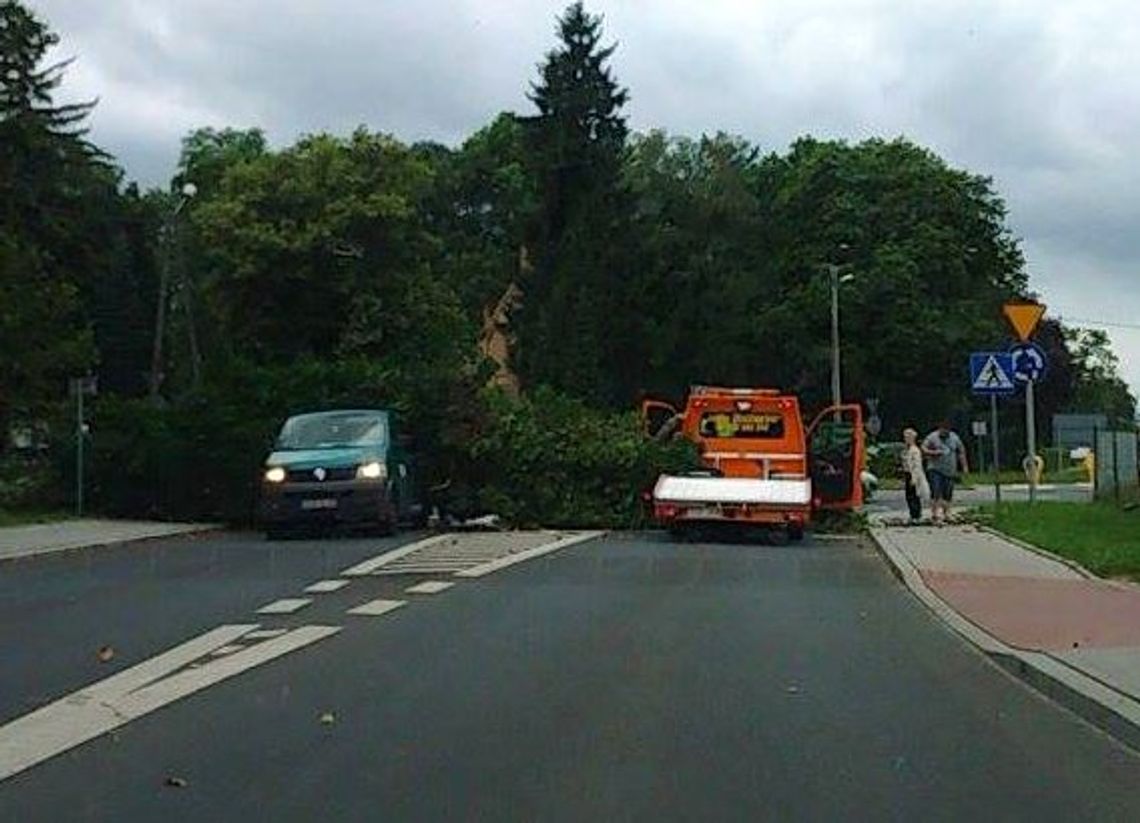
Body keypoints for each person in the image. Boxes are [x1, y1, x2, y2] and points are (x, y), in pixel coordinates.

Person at [922, 420, 969, 523]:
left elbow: (961, 451)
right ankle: (935, 514)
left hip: (950, 470)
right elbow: (924, 448)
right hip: (935, 469)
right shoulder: (932, 437)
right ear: (939, 429)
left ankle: (947, 513)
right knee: (936, 490)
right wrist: (934, 452)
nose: (944, 434)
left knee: (948, 492)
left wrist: (964, 466)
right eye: (943, 431)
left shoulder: (954, 437)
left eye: (946, 431)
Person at [901, 428, 930, 524]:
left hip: (913, 474)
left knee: (914, 495)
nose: (906, 439)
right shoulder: (906, 449)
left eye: (908, 437)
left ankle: (916, 515)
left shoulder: (915, 450)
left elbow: (917, 465)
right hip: (907, 473)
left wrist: (914, 478)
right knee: (909, 495)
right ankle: (912, 514)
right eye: (905, 437)